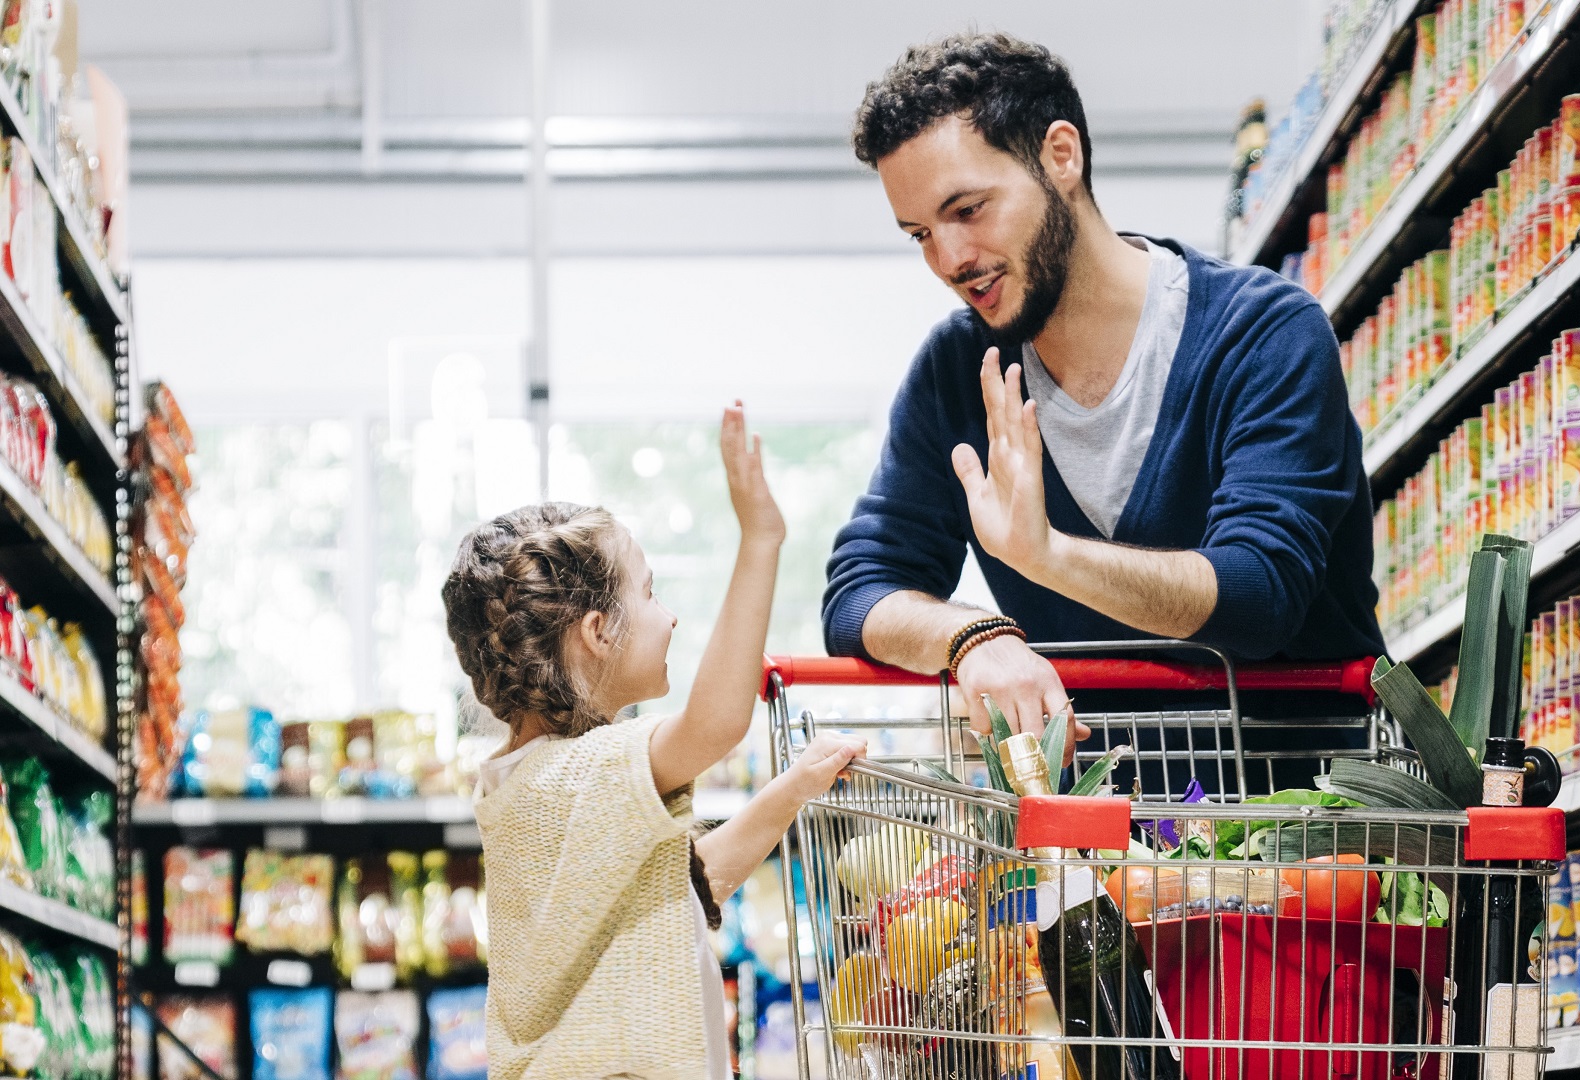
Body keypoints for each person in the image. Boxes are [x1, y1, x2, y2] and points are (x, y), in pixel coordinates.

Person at [823, 33, 1385, 739]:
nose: (950, 259)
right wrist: (973, 638)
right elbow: (856, 595)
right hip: (1100, 830)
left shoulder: (1262, 333)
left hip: (1301, 817)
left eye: (967, 210)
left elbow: (1259, 593)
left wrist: (1048, 556)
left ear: (1062, 155)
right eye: (919, 234)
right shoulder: (955, 374)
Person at [443, 404, 865, 1080]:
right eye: (649, 594)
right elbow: (715, 724)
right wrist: (761, 539)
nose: (668, 617)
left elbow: (693, 886)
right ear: (597, 632)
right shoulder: (571, 777)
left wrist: (794, 789)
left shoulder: (547, 787)